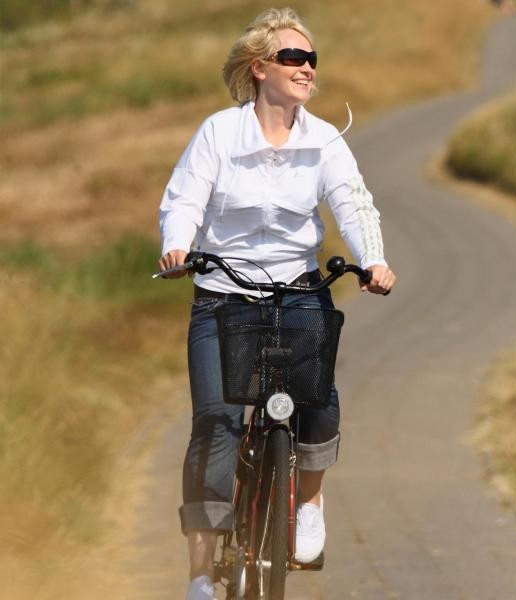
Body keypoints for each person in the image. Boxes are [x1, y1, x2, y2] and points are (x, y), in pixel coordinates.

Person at [157, 8, 396, 599]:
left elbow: (354, 204)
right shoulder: (219, 133)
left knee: (318, 404)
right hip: (222, 296)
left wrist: (373, 258)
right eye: (294, 57)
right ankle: (200, 578)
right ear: (260, 68)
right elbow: (184, 197)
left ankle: (309, 499)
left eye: (313, 58)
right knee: (216, 425)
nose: (308, 67)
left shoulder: (324, 141)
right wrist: (177, 245)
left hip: (296, 291)